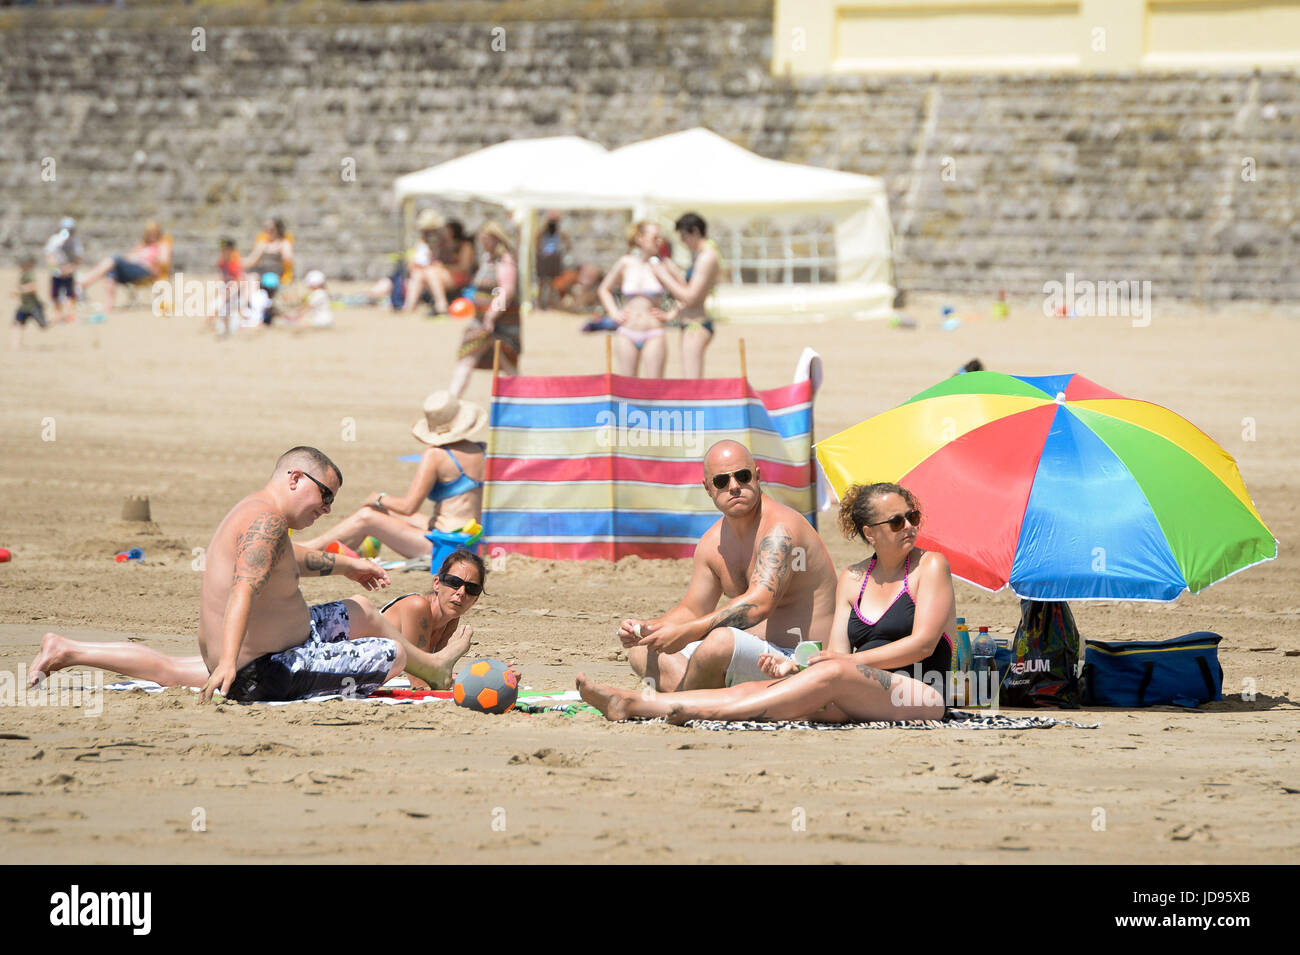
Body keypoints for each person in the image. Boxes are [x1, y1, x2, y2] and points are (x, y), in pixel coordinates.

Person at [43, 446, 469, 704]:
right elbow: (243, 591)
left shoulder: (258, 514)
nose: (326, 509)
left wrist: (350, 565)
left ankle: (67, 650)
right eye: (325, 496)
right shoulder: (265, 524)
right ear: (296, 478)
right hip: (262, 670)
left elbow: (292, 559)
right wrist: (229, 664)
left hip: (258, 652)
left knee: (359, 609)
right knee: (388, 654)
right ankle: (427, 667)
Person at [579, 481, 954, 723]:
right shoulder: (853, 578)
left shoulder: (929, 566)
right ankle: (631, 703)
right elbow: (834, 653)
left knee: (830, 675)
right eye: (896, 521)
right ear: (870, 533)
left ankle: (690, 709)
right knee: (761, 689)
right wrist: (796, 670)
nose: (909, 527)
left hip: (920, 692)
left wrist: (843, 663)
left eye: (912, 517)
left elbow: (921, 644)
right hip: (855, 688)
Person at [26, 549, 486, 695]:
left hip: (269, 644)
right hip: (280, 650)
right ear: (436, 581)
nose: (460, 594)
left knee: (172, 671)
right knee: (392, 649)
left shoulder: (447, 622)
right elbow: (409, 683)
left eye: (471, 590)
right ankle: (436, 663)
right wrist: (441, 668)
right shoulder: (412, 609)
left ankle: (68, 650)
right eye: (453, 583)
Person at [617, 439, 837, 691]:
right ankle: (699, 697)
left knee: (720, 642)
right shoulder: (713, 542)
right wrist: (650, 629)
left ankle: (687, 699)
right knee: (644, 651)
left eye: (743, 477)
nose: (734, 487)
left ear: (757, 476)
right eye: (722, 481)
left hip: (799, 660)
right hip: (751, 657)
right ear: (708, 488)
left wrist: (686, 633)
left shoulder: (780, 529)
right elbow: (692, 609)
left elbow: (758, 605)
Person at [295, 391, 486, 558]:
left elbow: (408, 507)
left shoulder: (435, 455)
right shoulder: (482, 450)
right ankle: (347, 554)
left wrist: (378, 497)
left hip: (444, 546)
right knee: (383, 511)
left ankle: (306, 549)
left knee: (367, 516)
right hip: (471, 540)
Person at [449, 221, 520, 397]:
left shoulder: (505, 261)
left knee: (508, 365)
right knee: (466, 358)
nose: (482, 243)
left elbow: (505, 291)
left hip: (500, 323)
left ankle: (523, 400)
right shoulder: (487, 259)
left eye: (485, 240)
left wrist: (491, 316)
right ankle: (451, 400)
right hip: (479, 321)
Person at [648, 212, 719, 378]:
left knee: (692, 383)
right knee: (689, 380)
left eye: (684, 236)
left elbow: (691, 296)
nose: (682, 241)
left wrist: (664, 276)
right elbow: (690, 289)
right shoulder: (700, 255)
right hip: (690, 323)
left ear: (695, 231)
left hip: (696, 324)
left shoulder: (707, 256)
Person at [597, 221, 670, 378]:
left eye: (660, 238)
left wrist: (670, 314)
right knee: (626, 389)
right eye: (654, 237)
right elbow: (604, 289)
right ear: (639, 239)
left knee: (654, 388)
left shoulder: (664, 264)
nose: (659, 241)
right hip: (627, 331)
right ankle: (624, 405)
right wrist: (613, 312)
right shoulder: (625, 263)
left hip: (653, 331)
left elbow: (688, 292)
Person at [78, 221, 171, 313]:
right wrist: (136, 258)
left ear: (158, 233)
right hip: (132, 269)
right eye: (150, 233)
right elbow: (128, 257)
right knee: (112, 271)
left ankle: (84, 282)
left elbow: (164, 261)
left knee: (115, 259)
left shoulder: (162, 244)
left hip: (146, 272)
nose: (152, 236)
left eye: (154, 233)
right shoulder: (142, 245)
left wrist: (147, 261)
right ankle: (108, 307)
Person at [404, 209, 450, 316]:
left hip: (441, 272)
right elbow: (411, 263)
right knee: (417, 274)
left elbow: (444, 261)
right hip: (424, 271)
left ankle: (441, 305)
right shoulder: (420, 243)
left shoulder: (444, 242)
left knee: (430, 272)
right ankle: (409, 306)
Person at [43, 216, 83, 324]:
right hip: (57, 272)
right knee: (55, 295)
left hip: (69, 273)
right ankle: (58, 314)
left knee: (70, 294)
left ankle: (70, 315)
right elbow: (49, 256)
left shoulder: (75, 242)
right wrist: (57, 268)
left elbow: (79, 258)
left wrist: (70, 268)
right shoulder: (55, 240)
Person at [11, 254, 48, 351]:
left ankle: (59, 316)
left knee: (44, 325)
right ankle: (16, 346)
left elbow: (33, 287)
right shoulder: (23, 273)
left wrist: (19, 290)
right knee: (18, 323)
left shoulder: (30, 274)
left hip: (33, 306)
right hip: (24, 306)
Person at [245, 217, 294, 286]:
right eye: (266, 229)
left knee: (268, 280)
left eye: (271, 229)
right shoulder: (263, 242)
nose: (268, 232)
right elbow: (252, 260)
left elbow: (288, 258)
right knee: (250, 278)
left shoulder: (284, 243)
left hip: (276, 275)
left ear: (278, 229)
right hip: (262, 273)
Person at [535, 211, 569, 311]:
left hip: (553, 258)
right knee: (542, 282)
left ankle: (549, 304)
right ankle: (539, 304)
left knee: (551, 283)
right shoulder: (543, 232)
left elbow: (567, 242)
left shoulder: (559, 232)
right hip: (544, 258)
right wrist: (540, 253)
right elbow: (536, 239)